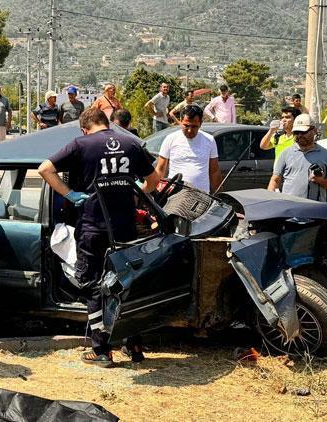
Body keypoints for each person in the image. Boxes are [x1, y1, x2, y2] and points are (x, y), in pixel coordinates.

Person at [38, 108, 160, 367]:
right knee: (125, 283)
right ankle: (134, 344)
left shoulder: (80, 144)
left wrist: (70, 194)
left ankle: (101, 350)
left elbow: (45, 169)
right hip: (125, 227)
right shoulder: (131, 143)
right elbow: (154, 180)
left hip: (93, 226)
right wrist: (134, 193)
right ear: (107, 124)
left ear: (84, 129)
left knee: (92, 283)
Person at [267, 114, 327, 201]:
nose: (300, 135)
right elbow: (275, 180)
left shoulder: (326, 154)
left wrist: (321, 181)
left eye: (303, 132)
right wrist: (270, 200)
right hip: (290, 208)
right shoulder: (286, 153)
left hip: (315, 209)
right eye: (296, 132)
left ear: (314, 130)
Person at [155, 104, 222, 193]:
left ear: (201, 123)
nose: (190, 130)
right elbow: (160, 169)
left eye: (194, 126)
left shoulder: (209, 140)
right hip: (174, 196)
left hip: (202, 196)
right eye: (186, 126)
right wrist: (154, 195)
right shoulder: (170, 139)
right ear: (180, 121)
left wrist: (220, 195)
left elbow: (214, 171)